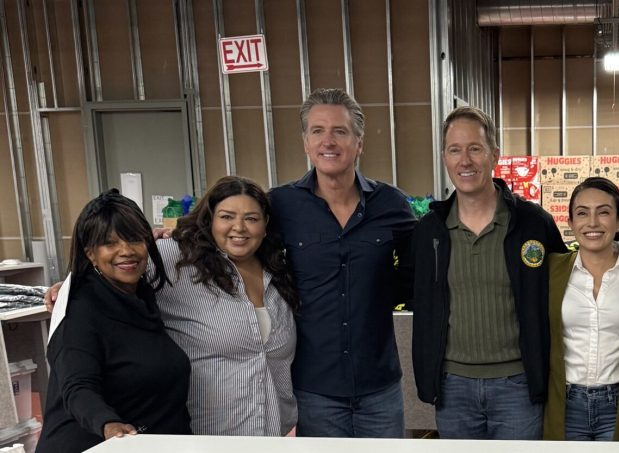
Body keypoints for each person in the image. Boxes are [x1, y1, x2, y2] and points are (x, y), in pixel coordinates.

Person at [409, 106, 567, 439]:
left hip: (518, 388)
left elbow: (563, 293)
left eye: (474, 148)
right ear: (444, 157)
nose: (464, 160)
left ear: (494, 154)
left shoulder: (532, 223)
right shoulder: (430, 231)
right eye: (455, 150)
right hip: (453, 389)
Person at [268, 88, 416, 438]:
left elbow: (419, 270)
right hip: (314, 389)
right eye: (317, 131)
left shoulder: (391, 204)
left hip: (379, 387)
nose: (328, 141)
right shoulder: (281, 206)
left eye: (340, 131)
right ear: (305, 143)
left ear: (359, 143)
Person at [38, 190, 191, 453]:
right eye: (110, 243)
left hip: (143, 445)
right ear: (90, 254)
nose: (126, 251)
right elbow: (77, 386)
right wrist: (109, 424)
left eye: (134, 239)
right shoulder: (78, 310)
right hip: (94, 446)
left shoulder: (142, 297)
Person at [161, 176, 298, 435]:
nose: (239, 227)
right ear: (209, 220)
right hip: (207, 436)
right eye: (226, 217)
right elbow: (116, 267)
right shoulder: (176, 259)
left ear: (266, 224)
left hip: (273, 435)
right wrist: (63, 290)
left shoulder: (279, 273)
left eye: (251, 218)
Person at [543, 177, 619, 441]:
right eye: (582, 213)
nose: (592, 223)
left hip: (617, 404)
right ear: (570, 223)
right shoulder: (552, 271)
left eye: (603, 212)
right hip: (566, 403)